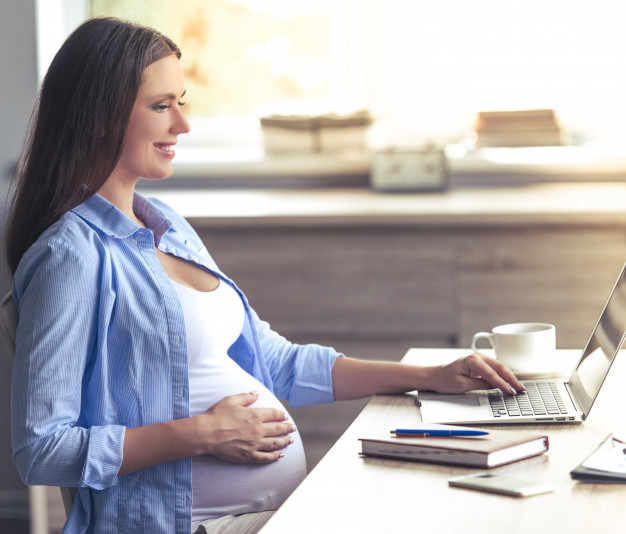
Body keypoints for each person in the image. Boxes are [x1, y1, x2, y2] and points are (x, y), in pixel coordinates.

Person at [4, 17, 523, 534]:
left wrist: (428, 378)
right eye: (161, 106)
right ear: (99, 117)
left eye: (180, 103)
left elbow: (277, 363)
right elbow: (42, 448)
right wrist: (202, 434)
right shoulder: (70, 256)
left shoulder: (168, 226)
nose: (181, 125)